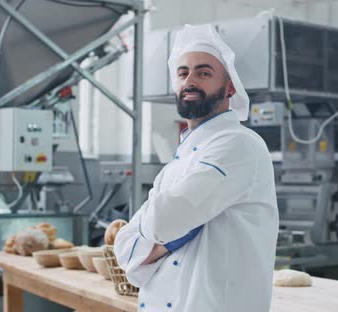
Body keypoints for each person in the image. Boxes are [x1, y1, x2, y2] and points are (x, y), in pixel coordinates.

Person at [114, 23, 278, 312]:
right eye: (183, 72)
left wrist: (154, 235)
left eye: (203, 72)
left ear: (229, 87)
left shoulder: (238, 144)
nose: (190, 80)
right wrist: (166, 234)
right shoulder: (179, 162)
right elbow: (125, 249)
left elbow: (163, 221)